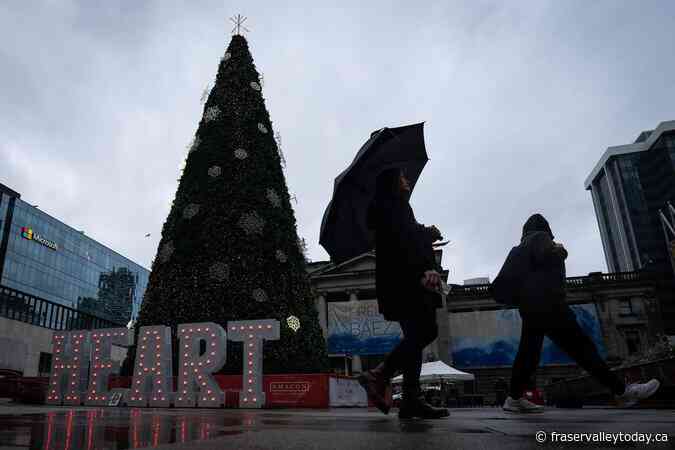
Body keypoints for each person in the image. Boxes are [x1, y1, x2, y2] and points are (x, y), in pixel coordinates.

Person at [504, 213, 661, 413]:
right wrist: (560, 251)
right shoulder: (540, 238)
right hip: (550, 305)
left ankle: (514, 398)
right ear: (546, 229)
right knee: (583, 350)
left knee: (528, 354)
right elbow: (548, 255)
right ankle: (622, 392)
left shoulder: (522, 248)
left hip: (531, 306)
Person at [358, 167, 449, 419]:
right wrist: (426, 268)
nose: (406, 180)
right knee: (426, 331)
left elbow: (404, 236)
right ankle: (380, 374)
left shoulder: (387, 209)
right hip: (410, 280)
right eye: (402, 177)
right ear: (392, 183)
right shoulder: (397, 206)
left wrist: (423, 232)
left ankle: (410, 400)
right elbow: (404, 242)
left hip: (395, 281)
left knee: (415, 337)